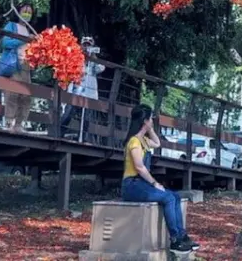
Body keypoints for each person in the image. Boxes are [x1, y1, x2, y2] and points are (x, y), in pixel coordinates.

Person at [122, 105, 198, 253]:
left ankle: (182, 236)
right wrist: (155, 183)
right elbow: (139, 167)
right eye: (150, 119)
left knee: (175, 196)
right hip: (131, 185)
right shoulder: (134, 142)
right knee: (168, 198)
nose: (152, 121)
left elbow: (157, 143)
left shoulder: (144, 140)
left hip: (141, 184)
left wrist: (149, 129)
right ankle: (175, 240)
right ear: (145, 120)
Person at [0, 4, 36, 131]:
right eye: (24, 11)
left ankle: (19, 125)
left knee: (26, 97)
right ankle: (8, 124)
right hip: (13, 64)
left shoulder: (29, 31)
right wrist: (24, 39)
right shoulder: (12, 26)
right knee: (12, 94)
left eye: (29, 12)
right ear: (18, 12)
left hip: (26, 66)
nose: (27, 14)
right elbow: (5, 43)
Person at [61, 36, 104, 141]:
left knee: (87, 118)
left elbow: (100, 69)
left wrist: (93, 57)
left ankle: (83, 138)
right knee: (68, 113)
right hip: (76, 91)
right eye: (84, 45)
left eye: (89, 45)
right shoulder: (76, 57)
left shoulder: (93, 61)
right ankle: (59, 133)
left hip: (88, 93)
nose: (86, 47)